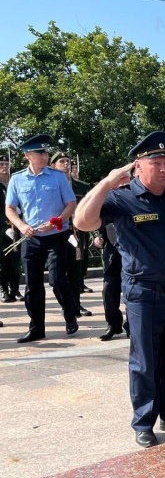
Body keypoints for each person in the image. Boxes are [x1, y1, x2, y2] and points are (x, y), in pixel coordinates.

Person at [74, 131, 165, 448]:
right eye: (156, 162)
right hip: (145, 293)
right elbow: (82, 221)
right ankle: (144, 421)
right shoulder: (122, 199)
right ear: (138, 166)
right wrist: (107, 183)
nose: (164, 168)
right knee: (145, 361)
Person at [5, 134, 79, 342]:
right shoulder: (17, 179)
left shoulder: (57, 177)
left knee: (56, 280)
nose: (44, 156)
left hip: (56, 235)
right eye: (40, 153)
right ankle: (37, 327)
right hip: (31, 237)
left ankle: (70, 313)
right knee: (32, 284)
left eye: (45, 152)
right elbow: (10, 208)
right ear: (28, 155)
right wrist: (21, 225)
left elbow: (71, 203)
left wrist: (59, 220)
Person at [50, 152, 93, 317]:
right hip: (55, 234)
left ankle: (76, 305)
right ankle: (66, 304)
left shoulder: (81, 187)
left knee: (76, 273)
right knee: (56, 278)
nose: (66, 164)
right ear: (53, 166)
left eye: (68, 161)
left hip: (75, 235)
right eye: (62, 161)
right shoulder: (49, 186)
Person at [0, 153, 22, 303]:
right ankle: (4, 291)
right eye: (1, 164)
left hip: (16, 227)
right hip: (2, 229)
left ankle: (15, 290)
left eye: (7, 164)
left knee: (15, 261)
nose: (5, 167)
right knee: (2, 262)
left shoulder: (15, 184)